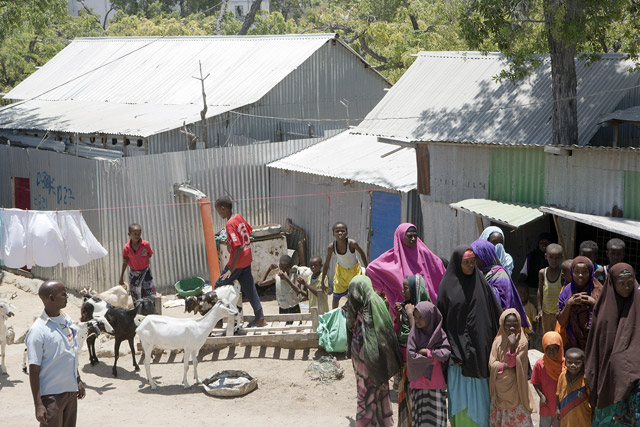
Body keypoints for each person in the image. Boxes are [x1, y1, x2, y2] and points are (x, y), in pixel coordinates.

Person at [436, 246, 502, 427]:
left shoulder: (481, 284)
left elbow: (495, 316)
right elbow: (441, 323)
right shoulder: (447, 287)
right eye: (466, 263)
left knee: (480, 401)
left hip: (480, 354)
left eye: (473, 262)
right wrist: (453, 350)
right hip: (457, 358)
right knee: (460, 399)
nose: (471, 266)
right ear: (458, 263)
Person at [586, 263, 640, 426]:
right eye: (621, 283)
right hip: (606, 379)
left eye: (630, 282)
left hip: (634, 383)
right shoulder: (603, 310)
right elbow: (597, 345)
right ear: (612, 283)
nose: (626, 287)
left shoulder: (638, 307)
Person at [26, 280, 86, 426]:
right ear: (51, 298)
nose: (67, 297)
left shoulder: (66, 321)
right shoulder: (38, 331)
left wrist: (77, 379)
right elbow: (34, 371)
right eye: (63, 294)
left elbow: (69, 353)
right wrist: (39, 405)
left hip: (70, 392)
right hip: (52, 397)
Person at [346, 276, 403, 427]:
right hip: (380, 357)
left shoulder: (358, 306)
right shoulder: (378, 302)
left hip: (363, 357)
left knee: (365, 390)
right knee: (381, 387)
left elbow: (350, 323)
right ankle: (383, 421)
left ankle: (366, 423)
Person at [367, 223, 445, 317]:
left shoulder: (423, 252)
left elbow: (438, 266)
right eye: (409, 236)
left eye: (415, 236)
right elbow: (371, 269)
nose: (413, 239)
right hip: (404, 311)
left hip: (426, 308)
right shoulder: (393, 258)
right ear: (401, 237)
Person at [214, 196, 266, 327]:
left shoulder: (229, 224)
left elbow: (238, 247)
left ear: (223, 208)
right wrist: (230, 241)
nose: (218, 214)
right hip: (247, 258)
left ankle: (218, 320)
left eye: (218, 211)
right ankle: (260, 317)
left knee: (218, 286)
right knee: (249, 288)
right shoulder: (238, 217)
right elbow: (248, 231)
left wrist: (231, 269)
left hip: (237, 263)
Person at [394, 275, 431, 427]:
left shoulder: (425, 311)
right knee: (405, 400)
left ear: (416, 289)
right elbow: (398, 330)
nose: (403, 291)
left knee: (417, 402)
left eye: (406, 288)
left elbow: (417, 338)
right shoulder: (404, 306)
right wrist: (398, 314)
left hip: (418, 367)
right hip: (404, 361)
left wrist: (410, 315)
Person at [406, 301, 451, 427]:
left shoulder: (439, 335)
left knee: (436, 418)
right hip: (418, 382)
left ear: (430, 317)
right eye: (415, 317)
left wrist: (428, 352)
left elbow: (446, 353)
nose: (418, 320)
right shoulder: (414, 334)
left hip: (435, 383)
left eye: (421, 317)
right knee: (420, 419)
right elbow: (412, 356)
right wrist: (434, 358)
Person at [471, 239, 530, 331]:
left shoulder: (500, 275)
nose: (472, 262)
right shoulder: (476, 273)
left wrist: (481, 282)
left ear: (485, 257)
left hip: (499, 323)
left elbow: (503, 302)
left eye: (475, 258)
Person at [488, 309, 534, 426]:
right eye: (508, 325)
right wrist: (505, 366)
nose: (512, 328)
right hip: (499, 389)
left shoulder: (522, 343)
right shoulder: (497, 341)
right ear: (503, 325)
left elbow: (515, 365)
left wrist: (512, 346)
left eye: (515, 325)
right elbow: (491, 364)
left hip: (516, 388)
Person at [557, 256, 602, 351]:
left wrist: (594, 303)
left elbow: (608, 318)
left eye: (585, 272)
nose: (580, 275)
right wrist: (569, 304)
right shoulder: (566, 292)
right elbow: (562, 322)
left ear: (591, 272)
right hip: (573, 342)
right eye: (576, 272)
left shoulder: (599, 291)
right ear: (571, 273)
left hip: (595, 343)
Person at [322, 222, 368, 309]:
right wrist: (322, 282)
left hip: (354, 271)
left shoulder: (352, 244)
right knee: (336, 297)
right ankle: (334, 315)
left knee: (356, 294)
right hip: (341, 272)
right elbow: (326, 264)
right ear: (333, 234)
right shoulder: (331, 247)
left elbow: (362, 254)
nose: (340, 233)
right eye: (337, 231)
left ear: (346, 233)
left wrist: (367, 269)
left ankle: (354, 313)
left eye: (342, 231)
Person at [531, 332, 564, 427]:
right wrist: (541, 396)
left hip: (561, 406)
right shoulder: (539, 364)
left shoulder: (565, 365)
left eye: (555, 348)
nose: (551, 351)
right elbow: (535, 382)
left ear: (560, 348)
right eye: (548, 348)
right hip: (546, 404)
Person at [118, 223, 156, 304]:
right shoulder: (127, 248)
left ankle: (150, 312)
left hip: (146, 272)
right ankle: (139, 312)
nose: (137, 236)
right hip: (134, 274)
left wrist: (142, 261)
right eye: (134, 234)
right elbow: (125, 262)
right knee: (135, 295)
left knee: (149, 294)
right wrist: (121, 277)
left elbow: (150, 254)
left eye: (139, 234)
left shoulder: (145, 244)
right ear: (129, 234)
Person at [556, 348, 592, 426]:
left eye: (577, 363)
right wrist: (557, 409)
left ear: (583, 363)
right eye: (569, 362)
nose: (573, 365)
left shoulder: (585, 379)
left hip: (583, 417)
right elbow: (558, 394)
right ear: (565, 362)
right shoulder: (562, 376)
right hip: (566, 416)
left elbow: (591, 399)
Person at [518, 233, 554, 302]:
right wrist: (517, 284)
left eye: (546, 242)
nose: (544, 245)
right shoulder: (531, 256)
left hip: (549, 290)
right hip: (532, 291)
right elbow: (524, 273)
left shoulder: (553, 257)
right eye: (541, 243)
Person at [537, 244, 564, 334]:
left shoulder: (563, 274)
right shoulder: (542, 273)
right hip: (546, 313)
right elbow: (540, 291)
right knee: (548, 336)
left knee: (558, 337)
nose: (554, 260)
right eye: (551, 257)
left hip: (559, 314)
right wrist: (539, 309)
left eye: (557, 258)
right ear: (546, 256)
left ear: (561, 258)